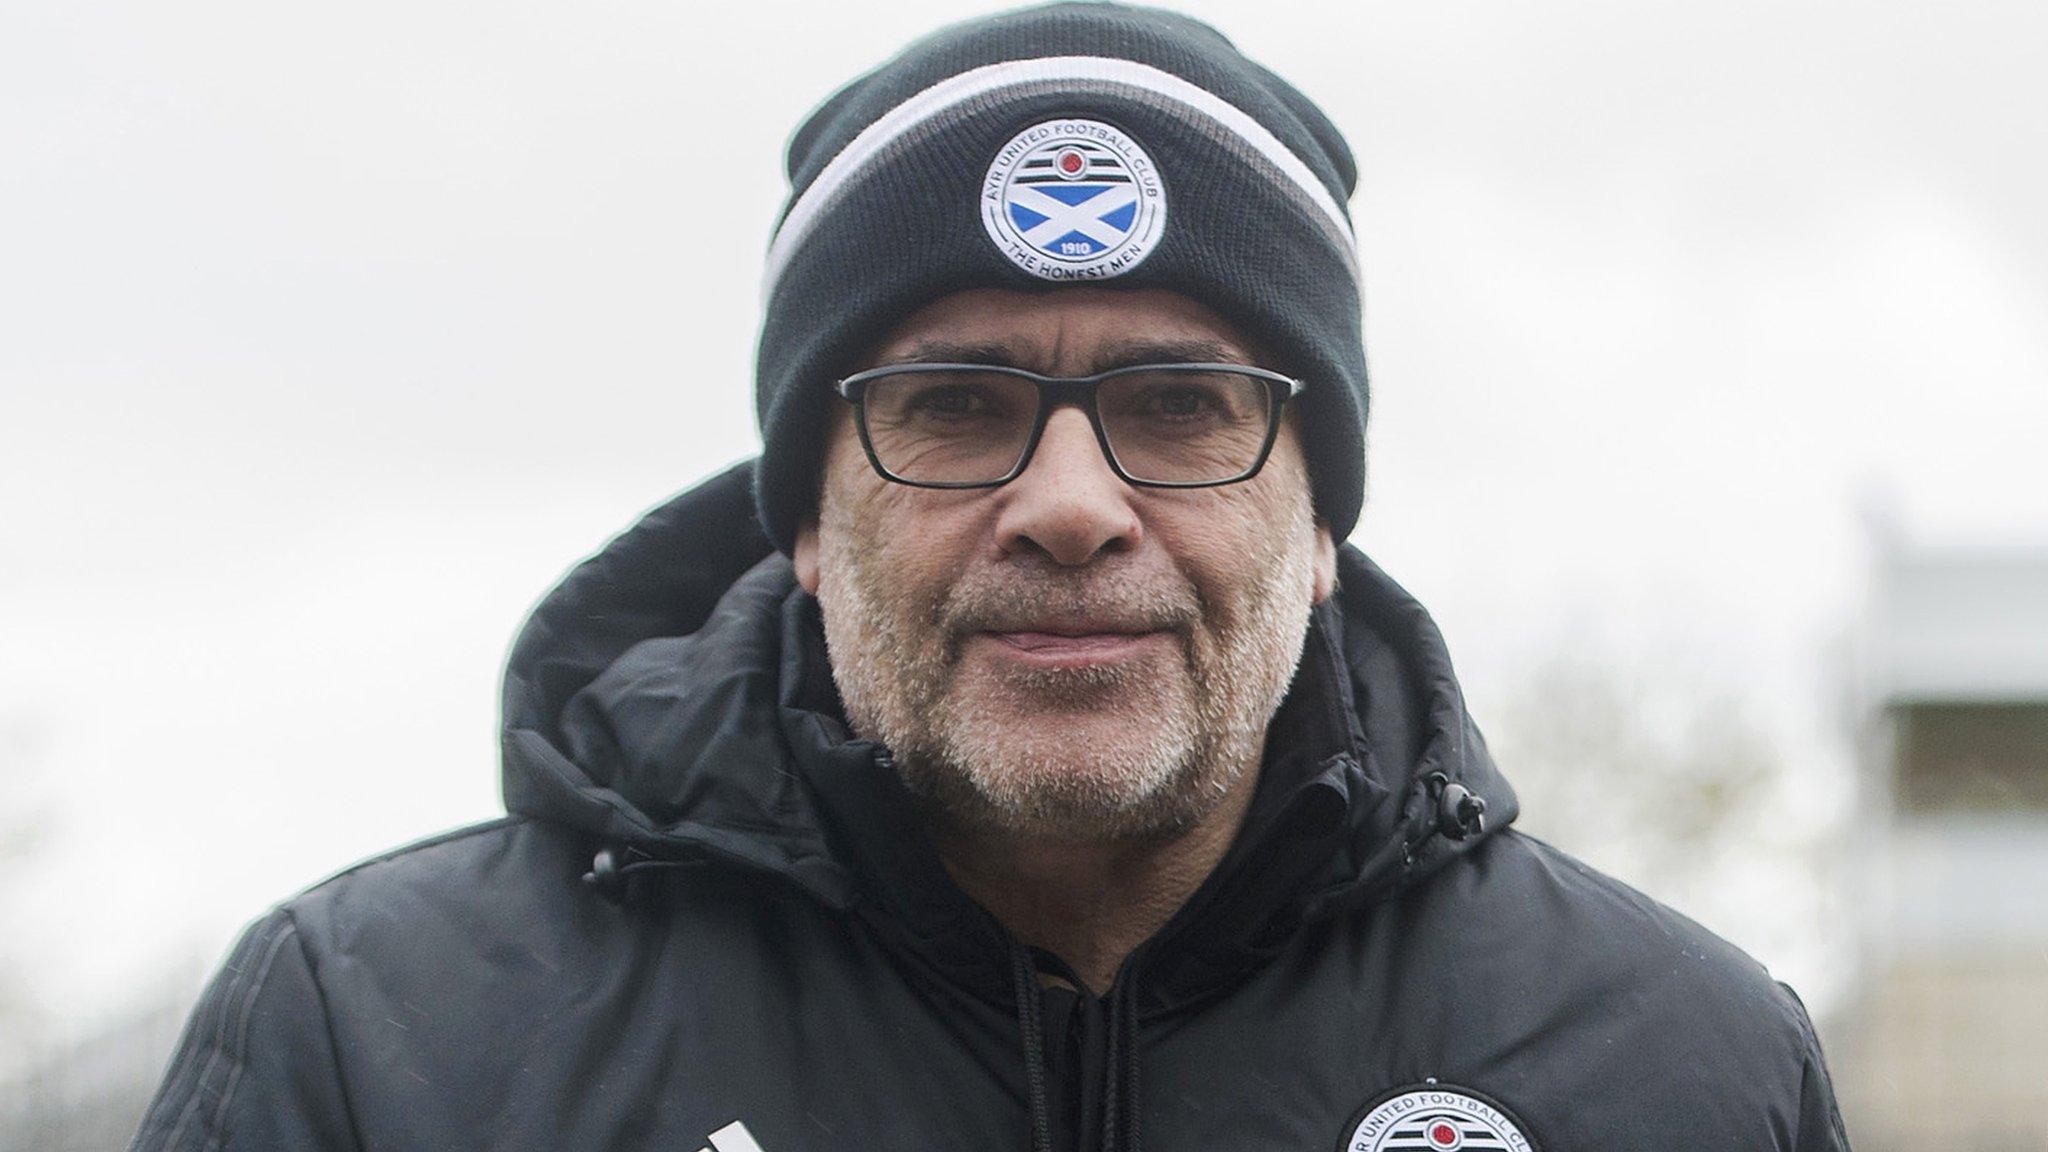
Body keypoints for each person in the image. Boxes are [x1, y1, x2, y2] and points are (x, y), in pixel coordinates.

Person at [132, 5, 1852, 1151]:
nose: (1071, 504)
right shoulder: (382, 1044)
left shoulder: (1682, 1073)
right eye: (954, 408)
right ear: (802, 514)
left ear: (1322, 519)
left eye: (1182, 406)